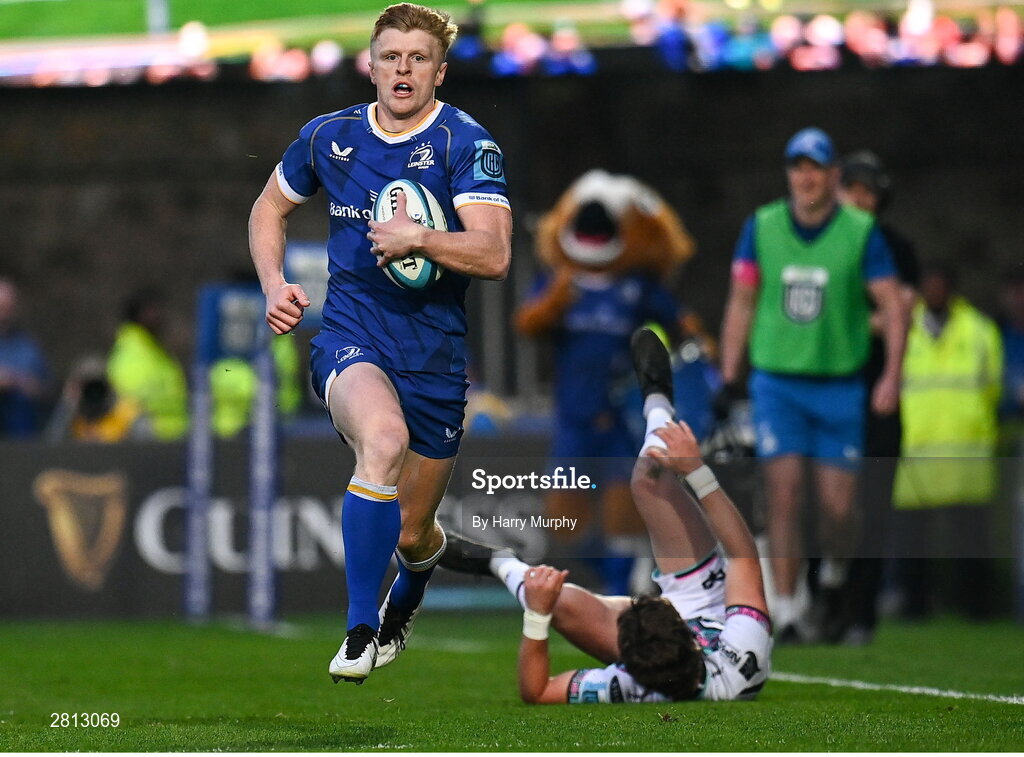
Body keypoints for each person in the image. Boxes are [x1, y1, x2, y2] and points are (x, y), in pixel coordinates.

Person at [248, 3, 512, 684]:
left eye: (417, 59)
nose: (403, 69)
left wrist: (420, 236)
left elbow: (494, 253)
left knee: (412, 535)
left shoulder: (465, 144)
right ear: (370, 65)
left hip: (436, 358)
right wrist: (274, 281)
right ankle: (360, 629)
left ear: (439, 73)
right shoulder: (327, 138)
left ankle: (413, 584)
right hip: (351, 338)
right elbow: (269, 207)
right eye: (391, 56)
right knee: (383, 441)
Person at [442, 328, 772, 703]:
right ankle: (658, 402)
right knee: (650, 475)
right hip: (710, 604)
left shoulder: (631, 686)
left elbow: (537, 691)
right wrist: (696, 470)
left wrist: (536, 615)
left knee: (556, 601)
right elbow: (744, 556)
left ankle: (499, 562)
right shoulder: (744, 652)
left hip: (679, 643)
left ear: (625, 662)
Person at [718, 127, 907, 642]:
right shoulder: (762, 226)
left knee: (838, 509)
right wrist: (729, 373)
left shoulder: (860, 230)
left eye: (815, 167)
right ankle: (787, 609)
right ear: (789, 174)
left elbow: (892, 305)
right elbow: (742, 301)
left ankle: (832, 574)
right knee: (783, 494)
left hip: (839, 382)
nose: (806, 177)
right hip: (777, 381)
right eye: (797, 167)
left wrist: (891, 375)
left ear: (832, 175)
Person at [834, 149, 918, 644]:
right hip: (828, 391)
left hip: (877, 395)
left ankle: (861, 614)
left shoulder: (895, 248)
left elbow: (899, 316)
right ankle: (818, 604)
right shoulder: (823, 245)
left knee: (872, 508)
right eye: (853, 187)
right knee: (823, 507)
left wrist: (847, 323)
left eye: (869, 190)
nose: (860, 199)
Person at [891, 264, 1003, 619]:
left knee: (971, 540)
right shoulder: (903, 328)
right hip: (917, 451)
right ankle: (915, 607)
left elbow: (993, 389)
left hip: (964, 451)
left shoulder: (980, 331)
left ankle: (976, 607)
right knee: (913, 542)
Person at [106, 288, 189, 441]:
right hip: (152, 436)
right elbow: (135, 399)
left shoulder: (151, 349)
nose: (160, 317)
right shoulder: (133, 351)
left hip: (171, 434)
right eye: (153, 311)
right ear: (141, 314)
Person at [0, 275, 50, 438]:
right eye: (1, 307)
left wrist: (17, 381)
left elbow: (47, 392)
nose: (4, 313)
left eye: (8, 306)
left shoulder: (30, 349)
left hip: (23, 442)